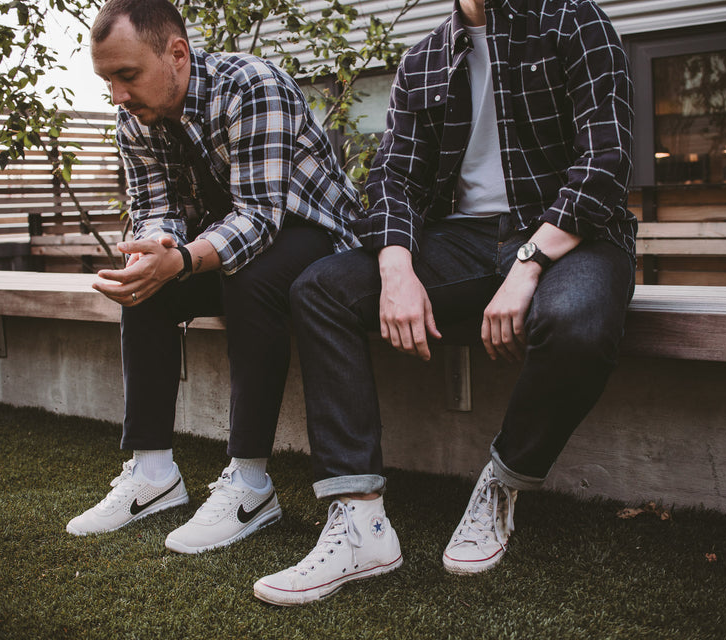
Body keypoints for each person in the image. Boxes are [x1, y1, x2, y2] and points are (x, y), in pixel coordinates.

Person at [253, 0, 636, 605]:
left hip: (572, 234)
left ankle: (502, 481)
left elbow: (606, 163)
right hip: (461, 240)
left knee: (574, 325)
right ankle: (359, 524)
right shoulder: (425, 57)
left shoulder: (571, 19)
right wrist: (397, 265)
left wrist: (529, 263)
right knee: (320, 288)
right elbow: (393, 178)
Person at [65, 0, 363, 555]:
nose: (117, 97)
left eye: (127, 76)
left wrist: (181, 258)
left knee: (250, 277)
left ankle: (250, 485)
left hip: (314, 233)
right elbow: (152, 207)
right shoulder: (136, 118)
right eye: (108, 80)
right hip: (227, 236)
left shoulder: (253, 86)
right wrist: (154, 252)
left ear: (176, 53)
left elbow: (260, 215)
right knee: (145, 287)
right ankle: (152, 474)